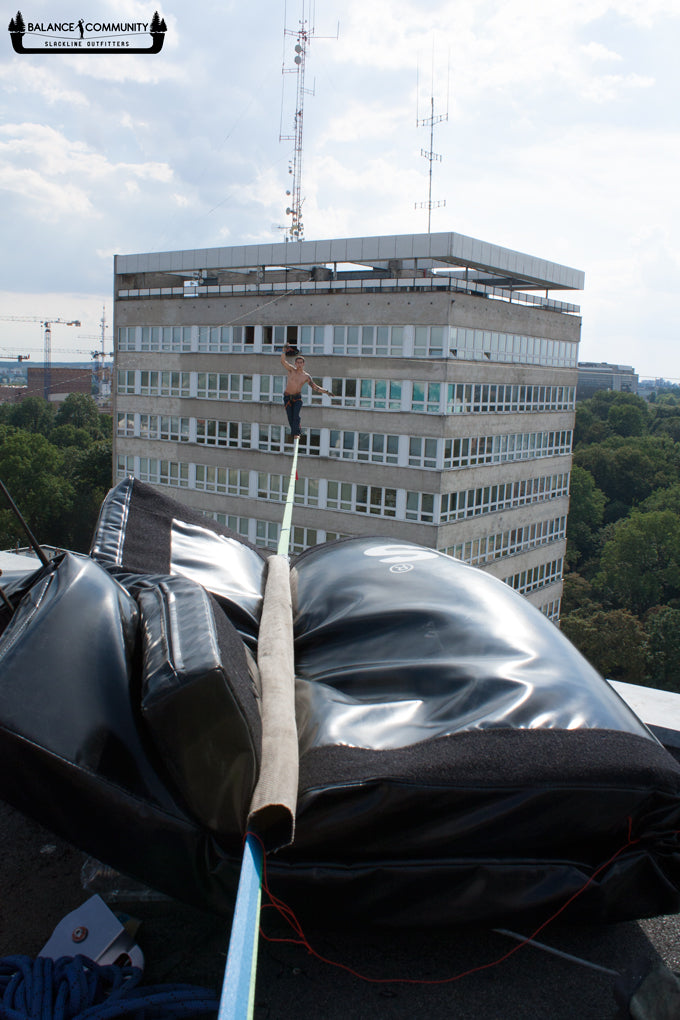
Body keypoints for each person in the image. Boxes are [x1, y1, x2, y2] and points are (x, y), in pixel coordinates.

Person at [280, 346, 330, 439]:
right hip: (287, 397)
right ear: (295, 363)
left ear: (303, 364)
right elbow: (283, 362)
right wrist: (283, 351)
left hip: (297, 398)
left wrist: (326, 391)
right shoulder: (291, 370)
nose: (299, 364)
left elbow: (315, 387)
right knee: (290, 416)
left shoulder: (306, 376)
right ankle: (294, 432)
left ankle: (297, 433)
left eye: (301, 363)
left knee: (296, 416)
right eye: (297, 363)